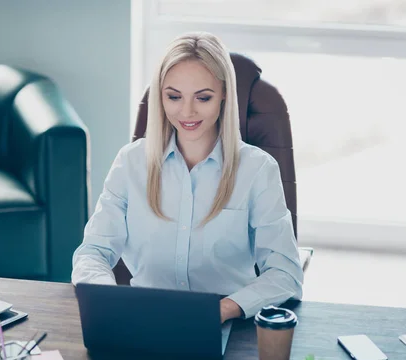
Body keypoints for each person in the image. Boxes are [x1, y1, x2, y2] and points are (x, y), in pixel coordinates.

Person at [71, 31, 303, 323]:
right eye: (174, 97)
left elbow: (286, 274)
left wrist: (220, 311)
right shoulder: (130, 163)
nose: (187, 111)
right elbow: (92, 252)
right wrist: (109, 301)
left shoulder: (257, 170)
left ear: (223, 97)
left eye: (203, 97)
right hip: (142, 321)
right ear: (161, 97)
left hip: (225, 325)